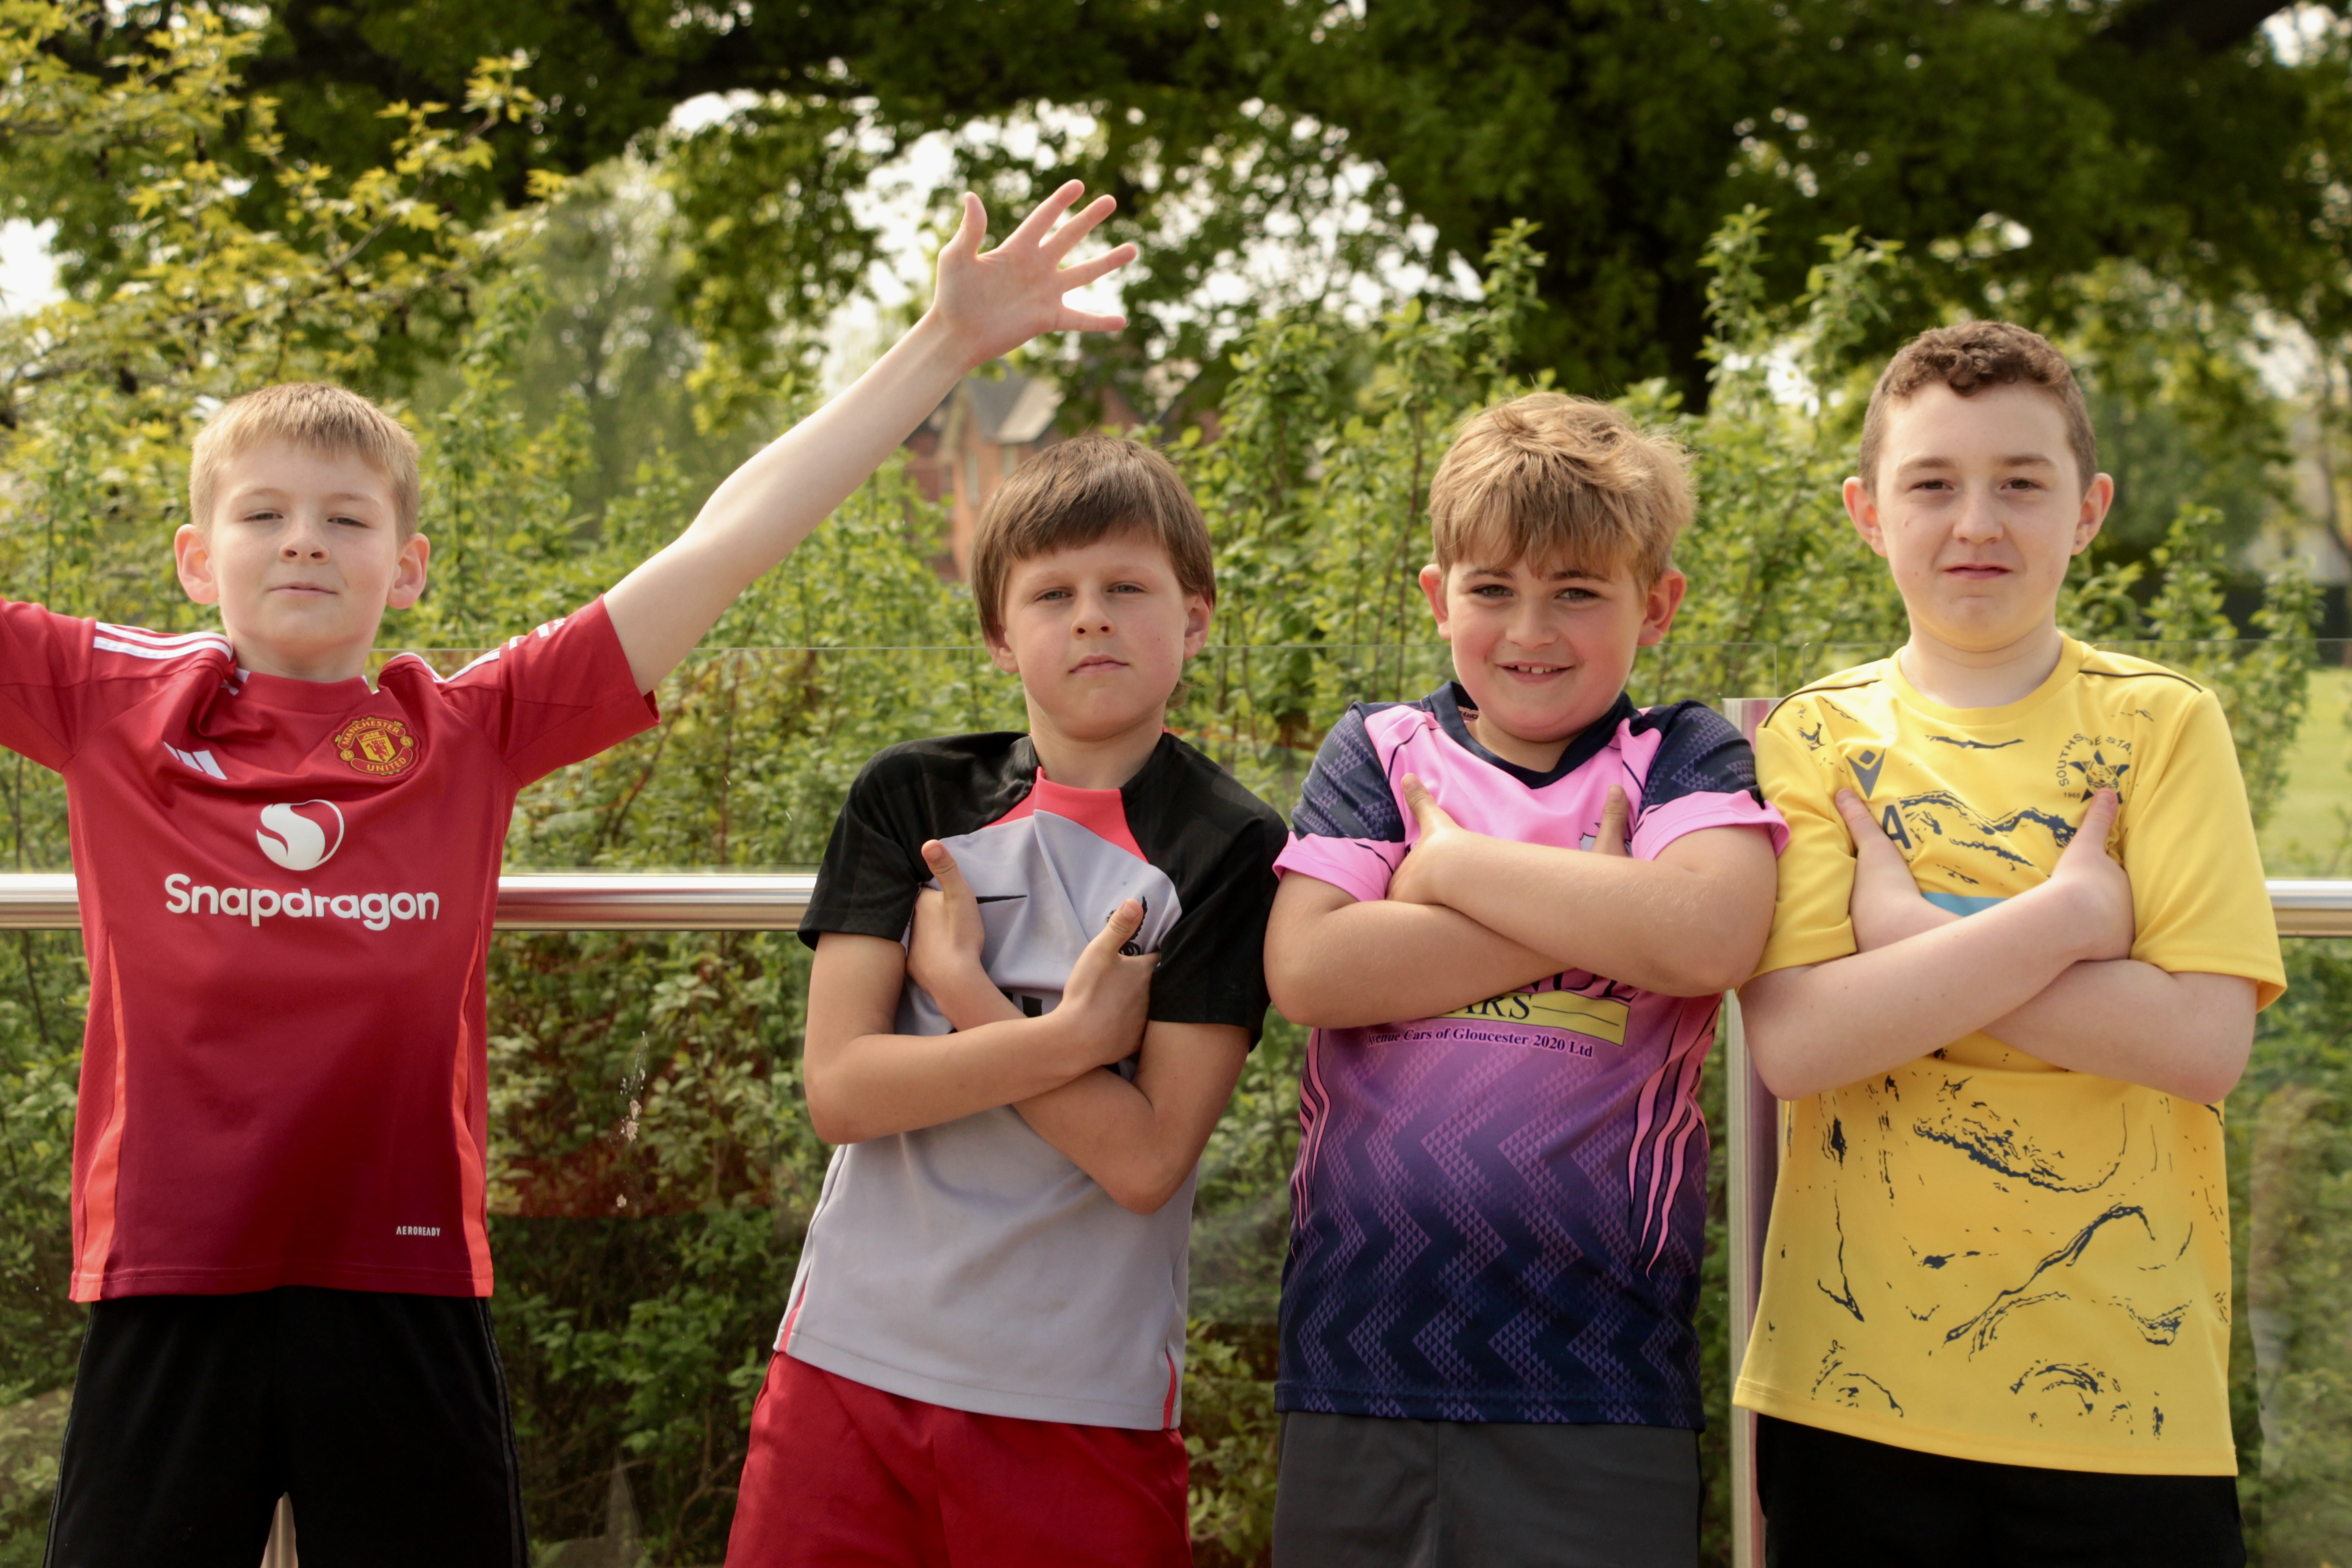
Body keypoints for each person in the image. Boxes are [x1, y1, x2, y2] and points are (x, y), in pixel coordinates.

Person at [30, 182, 1134, 1568]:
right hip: (169, 1275)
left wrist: (944, 345)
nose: (304, 538)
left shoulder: (468, 728)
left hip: (405, 1277)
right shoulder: (111, 700)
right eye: (263, 513)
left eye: (345, 519)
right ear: (198, 559)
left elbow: (723, 544)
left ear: (408, 568)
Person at [1732, 321, 2286, 1567]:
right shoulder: (1813, 741)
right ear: (1866, 513)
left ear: (2086, 511)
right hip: (1854, 1387)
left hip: (2129, 1397)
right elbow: (1802, 1044)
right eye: (1930, 483)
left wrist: (1905, 936)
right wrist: (2070, 924)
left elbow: (2199, 1044)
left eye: (2020, 484)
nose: (1973, 523)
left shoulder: (2160, 727)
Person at [724, 432, 1286, 1568]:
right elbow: (841, 1090)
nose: (1091, 619)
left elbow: (1143, 1162)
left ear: (1194, 618)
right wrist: (1074, 1041)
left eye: (1126, 588)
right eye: (1052, 594)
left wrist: (967, 996)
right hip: (847, 1363)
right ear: (998, 633)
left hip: (1081, 1392)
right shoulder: (911, 795)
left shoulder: (1230, 845)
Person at [1260, 392, 1788, 1567]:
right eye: (1491, 589)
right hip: (1355, 1361)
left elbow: (1707, 938)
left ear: (1656, 604)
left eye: (1577, 592)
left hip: (1597, 1372)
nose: (1529, 630)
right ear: (1436, 595)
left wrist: (1447, 872)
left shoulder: (1681, 756)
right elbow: (1308, 968)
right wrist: (1600, 907)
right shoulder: (1379, 752)